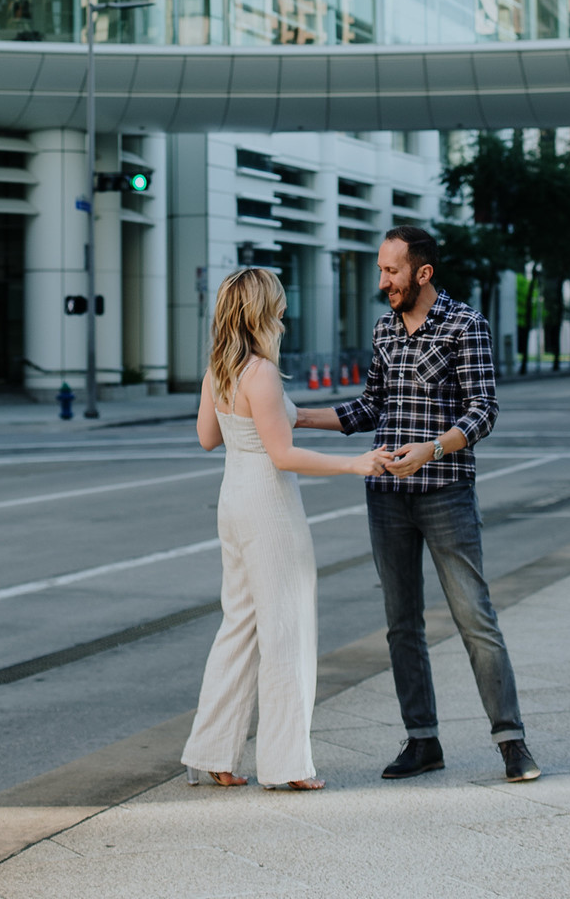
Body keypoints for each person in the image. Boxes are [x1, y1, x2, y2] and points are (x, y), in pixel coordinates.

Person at [295, 224, 540, 784]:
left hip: (446, 494)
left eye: (391, 271)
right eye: (382, 271)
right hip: (386, 497)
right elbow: (368, 408)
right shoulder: (384, 329)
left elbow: (484, 412)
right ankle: (422, 741)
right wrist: (297, 416)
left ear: (422, 272)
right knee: (400, 624)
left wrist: (431, 449)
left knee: (474, 618)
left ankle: (512, 742)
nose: (383, 281)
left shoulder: (464, 325)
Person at [182, 266, 388, 791]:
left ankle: (214, 753)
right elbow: (282, 454)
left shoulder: (219, 369)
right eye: (278, 302)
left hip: (234, 500)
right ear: (261, 310)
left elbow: (209, 437)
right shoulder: (262, 373)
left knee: (239, 626)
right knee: (287, 631)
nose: (285, 310)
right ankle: (287, 765)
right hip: (269, 507)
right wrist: (355, 464)